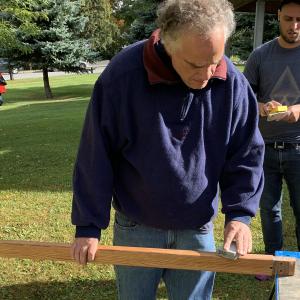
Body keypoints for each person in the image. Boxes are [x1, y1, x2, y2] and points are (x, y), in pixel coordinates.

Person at [71, 0, 264, 298]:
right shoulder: (123, 77)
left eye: (215, 60)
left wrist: (239, 215)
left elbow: (245, 153)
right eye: (195, 65)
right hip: (137, 227)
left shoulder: (231, 83)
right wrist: (88, 226)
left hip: (197, 227)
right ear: (167, 41)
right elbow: (96, 154)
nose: (207, 74)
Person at [244, 0, 300, 281]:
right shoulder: (260, 55)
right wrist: (261, 107)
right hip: (264, 149)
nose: (295, 26)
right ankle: (272, 260)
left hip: (299, 147)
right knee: (269, 209)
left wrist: (297, 110)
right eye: (289, 19)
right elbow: (244, 99)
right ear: (278, 16)